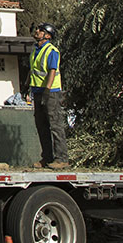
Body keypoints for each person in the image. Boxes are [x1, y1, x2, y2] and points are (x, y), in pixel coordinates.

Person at [29, 22, 69, 169]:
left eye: (40, 30)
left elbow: (52, 71)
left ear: (47, 35)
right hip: (37, 92)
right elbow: (33, 70)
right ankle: (47, 158)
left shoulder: (51, 51)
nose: (37, 31)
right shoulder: (35, 50)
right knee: (42, 126)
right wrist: (26, 86)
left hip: (51, 93)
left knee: (55, 125)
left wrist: (47, 90)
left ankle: (62, 159)